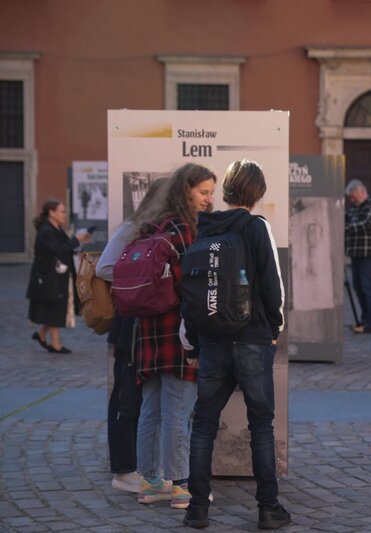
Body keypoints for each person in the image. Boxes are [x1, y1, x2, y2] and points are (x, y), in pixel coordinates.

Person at [182, 159, 289, 530]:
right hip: (252, 338)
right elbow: (273, 286)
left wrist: (193, 341)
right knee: (260, 423)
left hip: (212, 339)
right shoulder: (257, 227)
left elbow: (194, 287)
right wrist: (274, 328)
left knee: (204, 423)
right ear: (257, 193)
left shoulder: (205, 227)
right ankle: (268, 508)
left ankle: (197, 508)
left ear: (226, 190)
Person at [133, 163, 216, 509]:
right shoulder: (188, 231)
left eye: (211, 193)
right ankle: (181, 485)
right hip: (177, 331)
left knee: (150, 410)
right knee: (178, 411)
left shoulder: (151, 226)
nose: (209, 200)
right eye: (203, 192)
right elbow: (194, 286)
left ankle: (150, 483)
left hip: (147, 331)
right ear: (186, 190)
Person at [97, 177, 172, 494]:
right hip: (130, 322)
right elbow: (104, 267)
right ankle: (124, 470)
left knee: (151, 400)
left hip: (155, 323)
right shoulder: (134, 226)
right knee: (127, 396)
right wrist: (143, 279)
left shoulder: (170, 228)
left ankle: (147, 468)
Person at [27, 199, 91, 354]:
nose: (64, 215)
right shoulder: (46, 231)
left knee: (55, 307)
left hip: (58, 275)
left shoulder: (56, 228)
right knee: (55, 307)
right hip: (48, 277)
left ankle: (42, 335)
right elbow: (58, 250)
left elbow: (65, 246)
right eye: (62, 211)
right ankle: (55, 344)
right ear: (51, 212)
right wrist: (76, 240)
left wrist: (78, 242)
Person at [344, 179, 371, 334]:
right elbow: (346, 219)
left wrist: (345, 226)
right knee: (358, 286)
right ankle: (365, 319)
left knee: (368, 286)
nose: (352, 200)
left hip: (370, 253)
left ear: (361, 191)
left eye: (353, 197)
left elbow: (364, 224)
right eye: (350, 198)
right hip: (356, 252)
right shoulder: (354, 207)